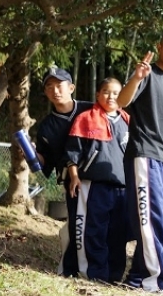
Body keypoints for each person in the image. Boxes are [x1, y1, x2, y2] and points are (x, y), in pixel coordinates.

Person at [116, 29, 163, 293]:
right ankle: (151, 281)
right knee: (151, 220)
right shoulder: (147, 75)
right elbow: (121, 102)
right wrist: (136, 77)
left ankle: (140, 278)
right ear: (159, 47)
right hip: (143, 154)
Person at [65, 78, 129, 283]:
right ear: (98, 95)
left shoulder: (128, 121)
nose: (111, 97)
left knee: (118, 234)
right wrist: (74, 176)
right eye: (106, 92)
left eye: (116, 93)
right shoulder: (85, 118)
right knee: (93, 231)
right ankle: (94, 274)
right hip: (93, 186)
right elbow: (72, 153)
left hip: (122, 188)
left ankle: (114, 276)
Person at [35, 67, 94, 278]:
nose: (55, 90)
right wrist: (31, 154)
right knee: (77, 225)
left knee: (99, 225)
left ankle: (100, 270)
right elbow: (44, 162)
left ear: (71, 87)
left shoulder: (91, 110)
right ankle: (71, 270)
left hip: (101, 178)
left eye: (59, 85)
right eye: (49, 87)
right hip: (72, 183)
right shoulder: (46, 127)